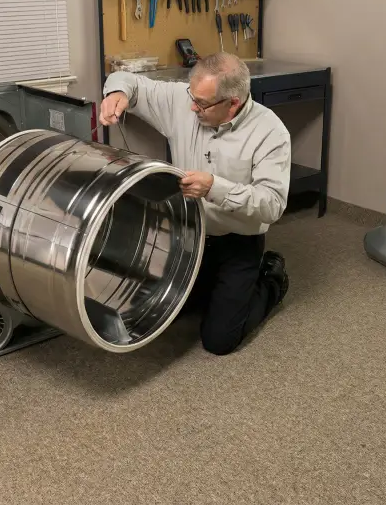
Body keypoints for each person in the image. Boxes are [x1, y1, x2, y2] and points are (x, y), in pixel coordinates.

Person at [100, 52, 291, 355]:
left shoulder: (271, 132)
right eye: (193, 96)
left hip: (239, 243)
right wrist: (118, 93)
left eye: (202, 104)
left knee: (218, 341)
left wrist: (215, 188)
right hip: (190, 237)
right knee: (155, 312)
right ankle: (211, 288)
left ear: (233, 104)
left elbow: (272, 205)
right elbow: (129, 81)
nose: (192, 107)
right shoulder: (185, 101)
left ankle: (271, 279)